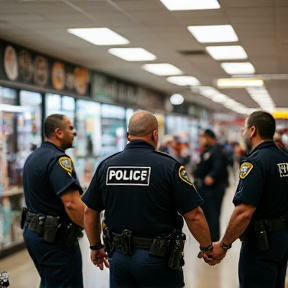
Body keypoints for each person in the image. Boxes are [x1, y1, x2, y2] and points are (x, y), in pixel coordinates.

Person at [82, 110, 214, 288]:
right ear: (155, 134)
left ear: (129, 135)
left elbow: (90, 212)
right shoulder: (169, 166)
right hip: (157, 259)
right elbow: (194, 215)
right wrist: (207, 248)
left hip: (118, 258)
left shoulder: (106, 166)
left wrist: (95, 246)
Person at [207, 111, 288, 288]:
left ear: (252, 130)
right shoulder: (284, 158)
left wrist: (224, 245)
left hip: (261, 243)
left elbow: (244, 213)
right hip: (283, 239)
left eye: (244, 128)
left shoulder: (255, 162)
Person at [21, 114, 86, 288]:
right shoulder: (58, 160)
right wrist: (95, 233)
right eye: (70, 128)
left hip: (35, 235)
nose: (74, 133)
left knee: (51, 282)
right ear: (58, 132)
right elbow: (72, 204)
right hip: (55, 239)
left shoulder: (33, 158)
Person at [193, 129, 229, 243]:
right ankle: (207, 241)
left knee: (213, 215)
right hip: (204, 188)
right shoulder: (207, 150)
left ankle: (213, 243)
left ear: (208, 137)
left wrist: (211, 176)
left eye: (202, 137)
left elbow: (218, 166)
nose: (200, 139)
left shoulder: (216, 150)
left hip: (214, 189)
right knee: (206, 215)